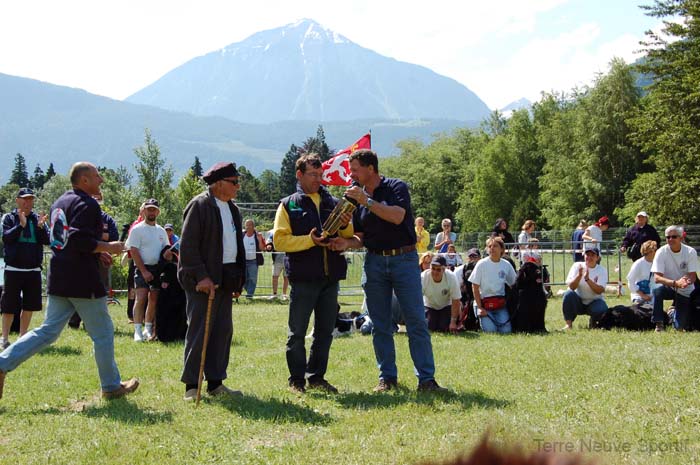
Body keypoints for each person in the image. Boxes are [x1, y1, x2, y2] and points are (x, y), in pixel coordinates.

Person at [0, 162, 139, 400]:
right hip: (82, 279)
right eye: (97, 176)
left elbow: (63, 240)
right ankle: (110, 386)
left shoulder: (60, 202)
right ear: (84, 180)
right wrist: (110, 246)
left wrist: (97, 250)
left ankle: (2, 363)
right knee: (104, 332)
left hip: (60, 276)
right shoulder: (87, 204)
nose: (101, 180)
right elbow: (77, 239)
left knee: (48, 331)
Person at [329, 149, 447, 393]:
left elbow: (397, 216)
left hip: (403, 260)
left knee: (415, 321)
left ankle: (427, 380)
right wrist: (346, 243)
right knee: (380, 324)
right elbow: (361, 237)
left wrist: (367, 201)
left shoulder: (395, 187)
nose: (351, 174)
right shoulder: (356, 199)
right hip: (374, 263)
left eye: (355, 169)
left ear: (370, 168)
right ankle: (387, 378)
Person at [273, 153, 354, 394]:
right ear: (299, 175)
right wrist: (309, 241)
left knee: (324, 332)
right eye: (313, 175)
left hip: (331, 278)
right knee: (297, 332)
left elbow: (348, 234)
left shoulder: (332, 201)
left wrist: (346, 223)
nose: (318, 179)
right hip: (303, 278)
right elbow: (279, 240)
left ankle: (316, 376)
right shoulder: (288, 204)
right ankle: (297, 380)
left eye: (320, 175)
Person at [178, 161, 246, 401]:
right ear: (218, 184)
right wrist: (201, 276)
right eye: (234, 182)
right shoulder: (199, 205)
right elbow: (188, 246)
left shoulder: (233, 209)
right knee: (199, 331)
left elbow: (235, 247)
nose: (238, 186)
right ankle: (191, 386)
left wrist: (238, 280)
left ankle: (216, 383)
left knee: (222, 330)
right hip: (202, 279)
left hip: (226, 278)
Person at [1, 188, 50, 349]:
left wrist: (41, 228)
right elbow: (6, 238)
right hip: (13, 269)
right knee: (8, 306)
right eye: (24, 199)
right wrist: (20, 226)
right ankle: (5, 338)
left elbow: (47, 241)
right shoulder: (9, 218)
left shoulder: (37, 219)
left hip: (33, 270)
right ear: (17, 201)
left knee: (29, 306)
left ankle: (22, 338)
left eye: (30, 199)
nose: (28, 203)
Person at [125, 199, 171, 342]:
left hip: (158, 268)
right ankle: (137, 330)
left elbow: (166, 249)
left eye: (154, 209)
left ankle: (148, 328)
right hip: (141, 267)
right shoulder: (137, 229)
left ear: (158, 212)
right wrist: (144, 271)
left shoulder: (161, 231)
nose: (151, 212)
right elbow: (133, 250)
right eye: (149, 209)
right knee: (141, 297)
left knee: (154, 298)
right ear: (144, 211)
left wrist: (169, 254)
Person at [650, 225, 698, 332]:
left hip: (685, 291)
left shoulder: (690, 252)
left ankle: (671, 313)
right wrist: (676, 283)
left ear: (681, 238)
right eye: (668, 237)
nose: (670, 239)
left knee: (679, 328)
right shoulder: (661, 252)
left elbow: (693, 276)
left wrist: (686, 281)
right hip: (670, 287)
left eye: (674, 236)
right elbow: (657, 278)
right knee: (657, 290)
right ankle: (659, 324)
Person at [469, 237, 517, 334]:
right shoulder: (481, 264)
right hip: (483, 304)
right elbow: (475, 287)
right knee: (491, 331)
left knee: (506, 331)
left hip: (500, 305)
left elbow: (514, 284)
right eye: (489, 246)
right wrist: (480, 308)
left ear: (502, 249)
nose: (492, 248)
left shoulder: (506, 265)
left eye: (495, 246)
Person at [561, 248, 608, 330]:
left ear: (597, 258)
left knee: (602, 307)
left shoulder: (602, 270)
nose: (589, 257)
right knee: (568, 294)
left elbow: (599, 291)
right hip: (578, 301)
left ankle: (593, 322)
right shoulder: (577, 266)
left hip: (594, 301)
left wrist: (587, 280)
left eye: (592, 255)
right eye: (587, 255)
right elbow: (572, 287)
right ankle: (569, 325)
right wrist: (579, 276)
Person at [421, 255, 461, 332]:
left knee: (444, 328)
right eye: (433, 268)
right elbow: (417, 299)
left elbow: (456, 300)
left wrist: (453, 322)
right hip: (429, 306)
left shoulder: (451, 277)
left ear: (444, 269)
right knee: (430, 327)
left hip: (446, 306)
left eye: (438, 270)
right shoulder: (423, 277)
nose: (435, 272)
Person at [627, 240, 658, 306]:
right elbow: (630, 281)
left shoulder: (658, 263)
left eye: (655, 250)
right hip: (639, 295)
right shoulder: (638, 264)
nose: (655, 252)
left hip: (653, 295)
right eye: (653, 250)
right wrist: (642, 295)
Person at [242, 219, 266, 298]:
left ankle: (249, 295)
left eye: (250, 225)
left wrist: (259, 240)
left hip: (253, 262)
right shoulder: (241, 235)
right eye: (247, 225)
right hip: (243, 261)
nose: (248, 227)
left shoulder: (258, 236)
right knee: (243, 279)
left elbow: (262, 249)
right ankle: (248, 290)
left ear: (253, 226)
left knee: (253, 279)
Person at [265, 231, 288, 300]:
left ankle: (284, 295)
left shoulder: (288, 231)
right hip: (277, 260)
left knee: (286, 278)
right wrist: (268, 246)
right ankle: (274, 294)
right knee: (275, 277)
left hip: (287, 259)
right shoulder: (272, 233)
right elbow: (269, 243)